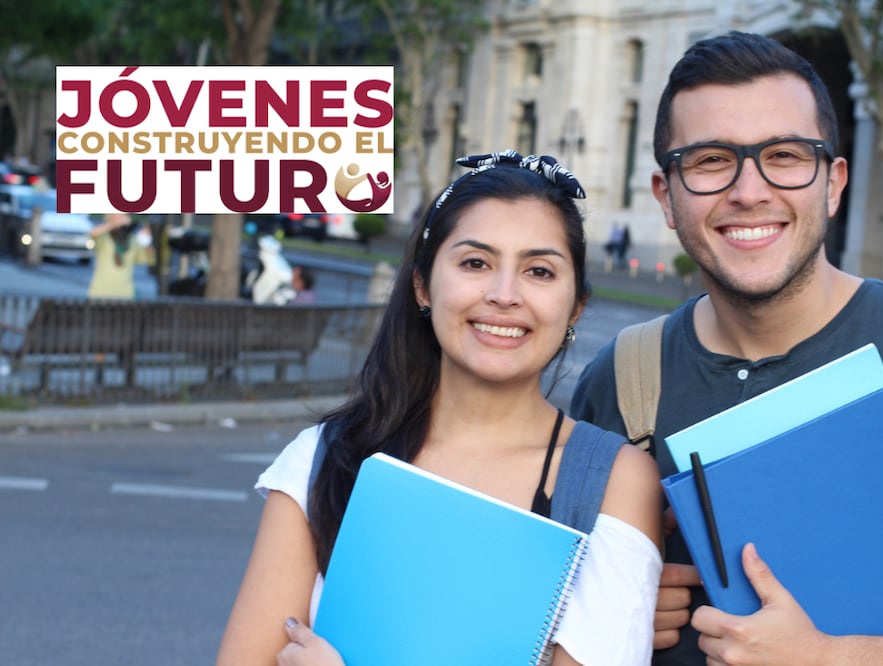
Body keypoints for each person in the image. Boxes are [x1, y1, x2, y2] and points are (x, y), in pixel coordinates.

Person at [570, 31, 883, 664]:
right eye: (710, 161)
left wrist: (833, 658)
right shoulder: (618, 380)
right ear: (666, 196)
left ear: (833, 184)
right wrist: (610, 612)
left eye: (784, 155)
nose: (749, 191)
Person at [217, 149, 664, 665]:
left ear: (576, 307)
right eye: (476, 263)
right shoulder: (324, 457)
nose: (504, 294)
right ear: (423, 286)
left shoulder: (611, 480)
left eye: (539, 271)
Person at [87, 212, 152, 299]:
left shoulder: (132, 239)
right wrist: (113, 224)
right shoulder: (104, 237)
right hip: (100, 292)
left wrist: (147, 240)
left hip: (125, 293)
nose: (122, 216)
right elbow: (92, 234)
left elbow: (146, 259)